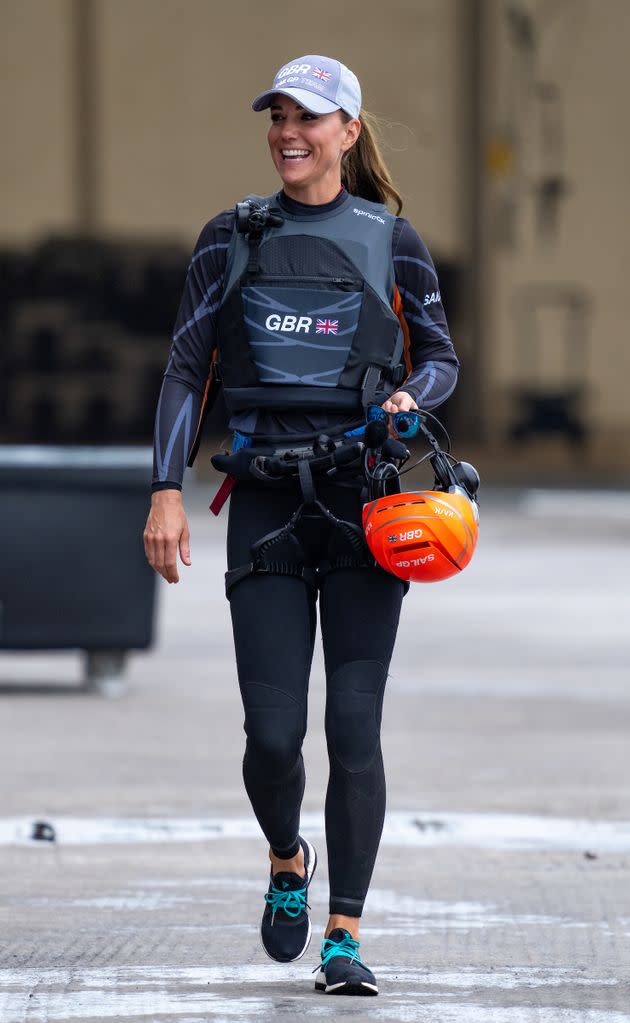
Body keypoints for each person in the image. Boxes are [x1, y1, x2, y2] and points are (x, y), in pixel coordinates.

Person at [144, 54, 459, 997]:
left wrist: (410, 393)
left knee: (354, 725)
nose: (290, 130)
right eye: (278, 114)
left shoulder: (390, 240)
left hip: (368, 508)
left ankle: (345, 935)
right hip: (270, 505)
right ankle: (288, 859)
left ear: (349, 132)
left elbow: (441, 359)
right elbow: (183, 369)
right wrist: (165, 487)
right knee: (274, 736)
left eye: (310, 117)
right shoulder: (231, 237)